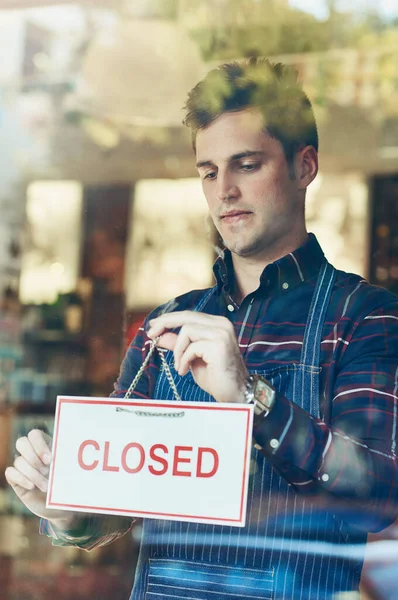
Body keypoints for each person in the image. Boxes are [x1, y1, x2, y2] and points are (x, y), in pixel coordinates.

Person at [5, 57, 398, 599]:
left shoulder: (364, 316)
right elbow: (116, 506)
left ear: (305, 166)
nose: (224, 191)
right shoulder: (166, 323)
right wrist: (70, 512)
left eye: (246, 164)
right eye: (209, 171)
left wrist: (250, 397)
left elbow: (374, 498)